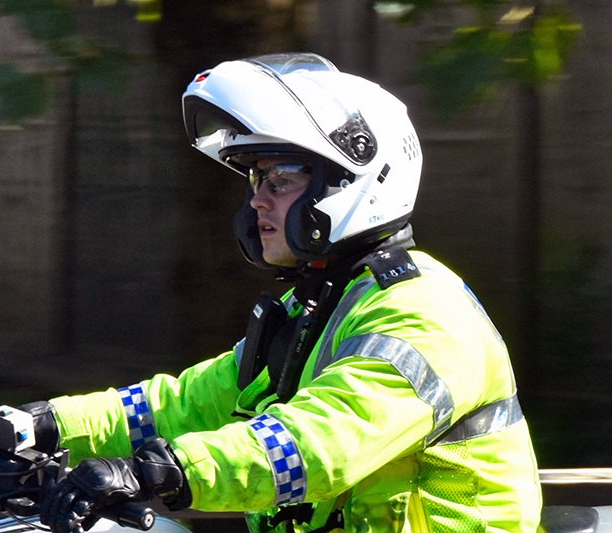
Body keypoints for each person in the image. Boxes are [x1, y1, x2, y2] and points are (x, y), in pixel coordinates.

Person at [28, 53, 543, 532]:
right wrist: (37, 427)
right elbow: (185, 404)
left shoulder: (425, 313)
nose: (256, 201)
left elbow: (322, 443)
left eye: (280, 178)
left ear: (354, 179)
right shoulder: (321, 303)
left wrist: (160, 470)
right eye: (255, 179)